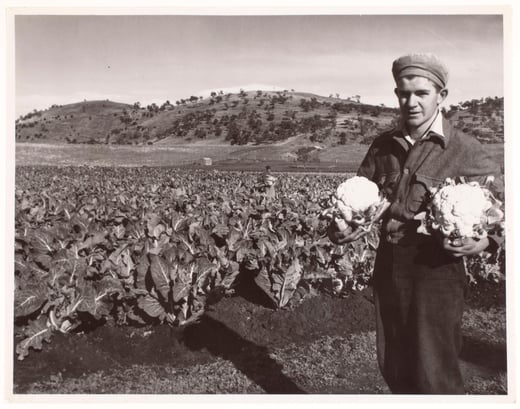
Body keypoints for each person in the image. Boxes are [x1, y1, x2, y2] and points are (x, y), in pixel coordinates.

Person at [328, 53, 502, 394]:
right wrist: (340, 227)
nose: (411, 102)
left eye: (421, 93)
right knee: (394, 364)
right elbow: (361, 195)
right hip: (389, 265)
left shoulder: (465, 150)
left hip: (436, 272)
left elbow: (503, 210)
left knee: (434, 371)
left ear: (442, 96)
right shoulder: (383, 147)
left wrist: (486, 242)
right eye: (403, 94)